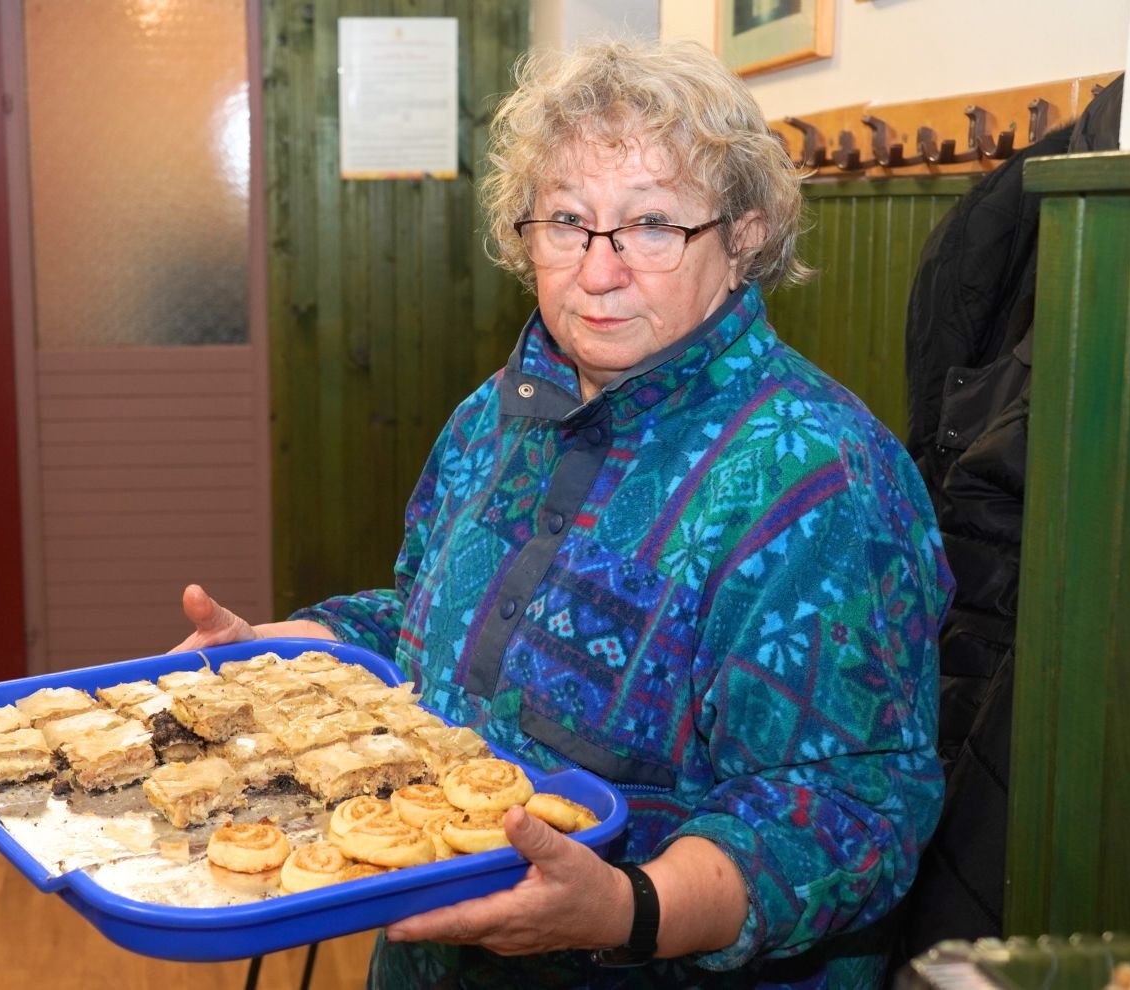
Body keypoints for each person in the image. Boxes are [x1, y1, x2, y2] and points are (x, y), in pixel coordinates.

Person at [174, 39, 953, 989]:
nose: (598, 270)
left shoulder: (820, 481)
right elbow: (429, 628)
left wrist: (626, 909)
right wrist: (276, 653)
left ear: (743, 239)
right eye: (568, 222)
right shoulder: (495, 415)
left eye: (651, 225)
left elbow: (850, 812)